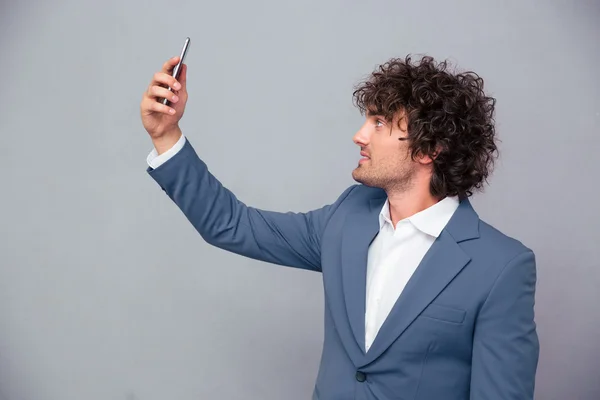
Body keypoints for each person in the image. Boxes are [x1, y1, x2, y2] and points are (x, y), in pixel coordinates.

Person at [140, 54, 539, 400]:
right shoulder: (348, 217)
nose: (360, 135)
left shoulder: (501, 267)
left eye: (380, 123)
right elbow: (231, 224)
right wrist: (167, 136)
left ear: (431, 148)